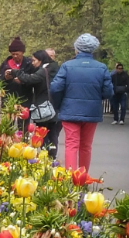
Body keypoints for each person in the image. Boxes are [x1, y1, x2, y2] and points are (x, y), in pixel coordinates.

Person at [49, 34, 114, 172]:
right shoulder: (101, 68)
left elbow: (55, 88)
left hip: (69, 110)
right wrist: (96, 98)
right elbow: (108, 92)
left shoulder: (67, 66)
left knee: (71, 144)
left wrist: (60, 103)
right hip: (92, 111)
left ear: (76, 49)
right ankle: (83, 178)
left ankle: (71, 180)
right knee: (86, 145)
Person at [10, 50, 60, 157]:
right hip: (54, 105)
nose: (32, 63)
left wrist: (16, 72)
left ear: (41, 60)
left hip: (44, 107)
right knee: (53, 133)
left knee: (43, 132)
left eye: (34, 60)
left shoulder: (44, 70)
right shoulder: (55, 68)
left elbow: (30, 79)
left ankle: (46, 155)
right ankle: (52, 155)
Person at [0, 38, 28, 108]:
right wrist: (5, 78)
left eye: (17, 54)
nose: (15, 56)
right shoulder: (5, 65)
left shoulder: (29, 64)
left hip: (24, 101)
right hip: (8, 100)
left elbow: (33, 79)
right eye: (13, 54)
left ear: (22, 52)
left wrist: (22, 81)